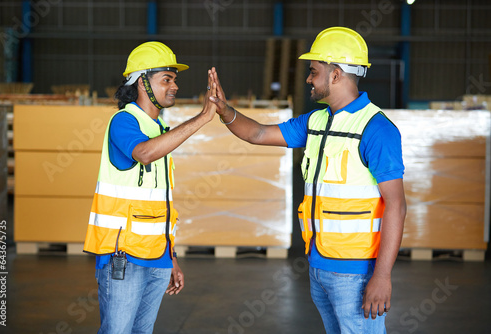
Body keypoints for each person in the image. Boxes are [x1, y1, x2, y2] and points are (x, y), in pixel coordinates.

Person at [209, 27, 406, 333]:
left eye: (314, 72)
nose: (308, 79)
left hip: (356, 272)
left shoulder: (376, 129)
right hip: (319, 265)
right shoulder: (315, 121)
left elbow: (396, 205)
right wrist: (224, 110)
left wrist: (382, 276)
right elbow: (258, 133)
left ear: (336, 75)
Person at [83, 41, 217, 334]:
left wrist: (171, 258)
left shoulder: (159, 131)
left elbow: (160, 205)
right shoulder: (124, 122)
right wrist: (203, 117)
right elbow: (143, 153)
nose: (175, 86)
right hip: (124, 256)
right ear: (142, 82)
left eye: (175, 80)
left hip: (156, 257)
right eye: (166, 79)